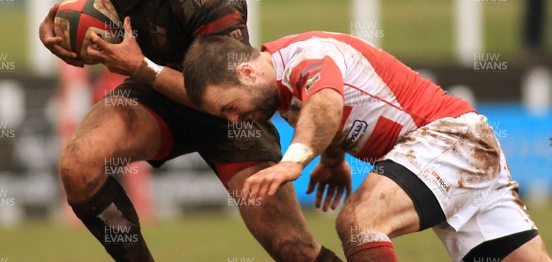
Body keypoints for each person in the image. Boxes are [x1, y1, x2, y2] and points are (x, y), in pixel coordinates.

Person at [39, 0, 341, 262]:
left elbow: (220, 96)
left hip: (227, 109)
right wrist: (58, 24)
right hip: (152, 93)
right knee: (78, 165)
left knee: (292, 248)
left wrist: (140, 67)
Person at [182, 31, 552, 262]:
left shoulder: (302, 58)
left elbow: (325, 103)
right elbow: (332, 110)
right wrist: (331, 159)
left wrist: (293, 162)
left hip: (450, 140)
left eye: (230, 107)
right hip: (459, 154)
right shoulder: (282, 90)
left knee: (359, 222)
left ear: (247, 73)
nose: (234, 120)